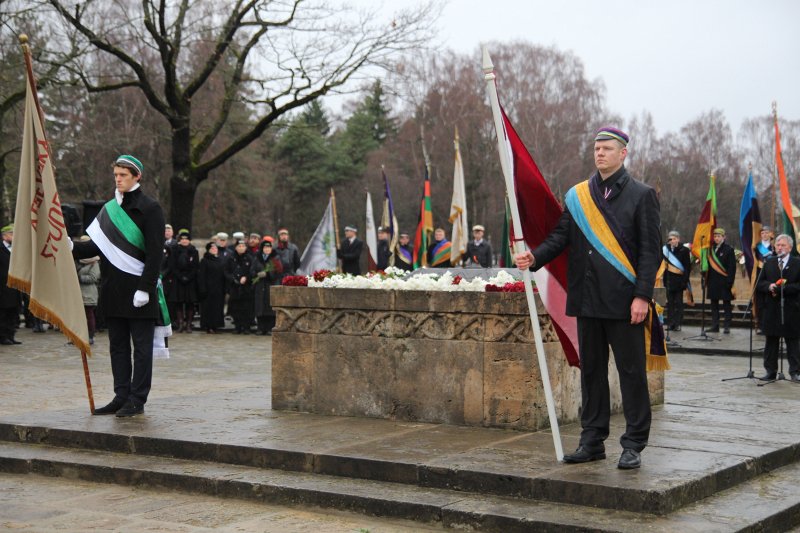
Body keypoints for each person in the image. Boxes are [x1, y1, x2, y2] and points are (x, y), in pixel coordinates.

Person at [515, 127, 660, 470]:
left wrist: (642, 296)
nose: (600, 154)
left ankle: (634, 443)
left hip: (625, 302)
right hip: (588, 299)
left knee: (631, 373)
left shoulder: (642, 195)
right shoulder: (579, 196)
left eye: (607, 149)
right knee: (591, 373)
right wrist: (535, 258)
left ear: (623, 154)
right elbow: (561, 237)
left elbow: (649, 252)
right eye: (596, 148)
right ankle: (592, 440)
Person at [72, 154, 166, 417]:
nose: (118, 180)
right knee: (118, 347)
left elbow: (156, 254)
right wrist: (71, 247)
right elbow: (96, 247)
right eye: (115, 175)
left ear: (137, 176)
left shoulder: (151, 208)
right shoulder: (109, 208)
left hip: (139, 291)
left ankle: (137, 398)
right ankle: (121, 394)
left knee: (141, 349)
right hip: (113, 289)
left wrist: (145, 288)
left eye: (123, 175)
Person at [756, 234, 800, 381]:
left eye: (783, 245)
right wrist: (769, 286)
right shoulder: (769, 262)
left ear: (790, 247)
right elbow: (759, 283)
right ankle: (770, 371)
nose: (780, 248)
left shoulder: (797, 263)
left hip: (791, 308)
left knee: (793, 342)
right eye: (778, 245)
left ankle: (795, 372)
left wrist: (784, 288)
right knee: (771, 341)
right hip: (772, 308)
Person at [166, 229, 199, 333]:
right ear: (179, 240)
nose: (184, 241)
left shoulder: (194, 251)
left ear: (189, 240)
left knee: (190, 303)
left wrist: (188, 277)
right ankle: (180, 324)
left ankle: (189, 324)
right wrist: (180, 276)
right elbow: (172, 265)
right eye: (182, 239)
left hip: (190, 280)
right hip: (178, 279)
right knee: (178, 303)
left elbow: (195, 266)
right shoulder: (174, 250)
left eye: (186, 239)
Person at [706, 227, 736, 334]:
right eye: (715, 236)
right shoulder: (710, 249)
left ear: (724, 237)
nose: (716, 238)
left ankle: (726, 326)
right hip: (713, 282)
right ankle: (715, 325)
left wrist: (730, 282)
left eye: (719, 236)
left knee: (726, 305)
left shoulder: (729, 249)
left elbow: (732, 268)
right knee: (714, 305)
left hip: (724, 282)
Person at [251, 240, 283, 335]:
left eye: (269, 247)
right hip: (260, 285)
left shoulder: (275, 258)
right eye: (265, 248)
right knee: (260, 307)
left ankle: (270, 328)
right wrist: (257, 274)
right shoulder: (257, 258)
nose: (267, 249)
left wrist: (268, 273)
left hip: (271, 285)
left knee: (270, 307)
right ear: (262, 249)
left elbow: (279, 271)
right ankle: (260, 328)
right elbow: (252, 270)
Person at [662, 230, 691, 331]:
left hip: (679, 281)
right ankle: (670, 323)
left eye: (674, 238)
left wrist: (684, 281)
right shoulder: (666, 250)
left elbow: (687, 267)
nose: (672, 241)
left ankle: (677, 324)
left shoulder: (684, 250)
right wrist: (664, 281)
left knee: (678, 303)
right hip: (669, 281)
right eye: (671, 239)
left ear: (678, 239)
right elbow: (664, 267)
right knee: (670, 304)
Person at [75, 236, 101, 345]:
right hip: (79, 293)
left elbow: (94, 277)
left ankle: (90, 335)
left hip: (89, 293)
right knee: (79, 316)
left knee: (89, 315)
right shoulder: (79, 261)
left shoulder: (94, 262)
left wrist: (79, 278)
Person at [225, 240, 255, 334]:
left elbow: (253, 271)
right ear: (236, 247)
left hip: (246, 287)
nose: (241, 248)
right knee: (235, 307)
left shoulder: (250, 258)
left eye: (243, 246)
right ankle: (237, 326)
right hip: (235, 287)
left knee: (246, 308)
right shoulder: (231, 258)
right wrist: (233, 279)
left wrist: (247, 278)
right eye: (239, 246)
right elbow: (226, 271)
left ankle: (246, 327)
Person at [198, 242, 226, 334]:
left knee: (217, 308)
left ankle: (215, 325)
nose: (215, 250)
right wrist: (202, 288)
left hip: (218, 289)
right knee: (208, 309)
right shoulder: (204, 260)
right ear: (208, 250)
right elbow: (201, 276)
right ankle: (208, 326)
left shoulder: (220, 260)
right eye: (212, 248)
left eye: (216, 248)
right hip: (208, 289)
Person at [0, 223, 22, 345]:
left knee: (14, 312)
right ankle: (3, 337)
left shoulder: (16, 249)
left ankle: (11, 335)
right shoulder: (1, 249)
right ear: (4, 236)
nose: (14, 236)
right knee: (3, 313)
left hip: (15, 287)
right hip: (3, 287)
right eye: (12, 234)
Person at [754, 226, 775, 334]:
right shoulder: (756, 247)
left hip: (771, 277)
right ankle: (760, 325)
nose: (765, 235)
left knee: (770, 302)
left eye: (767, 233)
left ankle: (769, 325)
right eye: (762, 233)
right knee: (760, 302)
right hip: (759, 276)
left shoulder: (774, 248)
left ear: (770, 234)